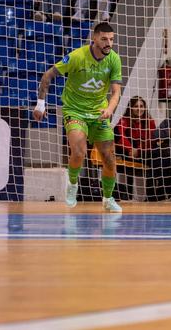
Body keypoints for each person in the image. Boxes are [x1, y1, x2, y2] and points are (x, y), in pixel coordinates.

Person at [32, 22, 123, 213]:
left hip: (99, 112)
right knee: (79, 151)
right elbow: (47, 76)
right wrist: (40, 104)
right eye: (104, 39)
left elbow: (116, 92)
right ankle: (72, 185)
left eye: (111, 39)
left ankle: (108, 198)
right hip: (75, 110)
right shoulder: (77, 56)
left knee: (109, 158)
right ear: (94, 38)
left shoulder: (114, 59)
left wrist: (110, 109)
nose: (109, 43)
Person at [114, 96, 156, 200]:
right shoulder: (124, 120)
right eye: (135, 106)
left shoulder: (149, 121)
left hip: (142, 152)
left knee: (155, 157)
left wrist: (139, 150)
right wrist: (130, 149)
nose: (139, 109)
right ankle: (125, 196)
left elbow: (150, 140)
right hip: (126, 152)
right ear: (130, 108)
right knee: (125, 158)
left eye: (141, 106)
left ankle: (151, 196)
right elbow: (120, 137)